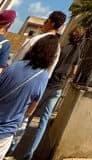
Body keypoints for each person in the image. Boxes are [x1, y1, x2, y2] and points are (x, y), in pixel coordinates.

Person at [17, 26, 85, 160]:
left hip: (47, 85)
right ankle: (30, 152)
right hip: (58, 88)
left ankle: (14, 146)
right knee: (44, 121)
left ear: (71, 35)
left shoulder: (61, 48)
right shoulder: (78, 52)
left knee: (29, 115)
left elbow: (51, 64)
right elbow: (74, 71)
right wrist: (66, 76)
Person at [0, 36, 59, 160]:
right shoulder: (42, 76)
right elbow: (31, 110)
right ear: (51, 57)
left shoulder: (14, 65)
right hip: (6, 131)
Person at [13, 12, 66, 79]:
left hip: (19, 76)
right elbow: (50, 70)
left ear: (52, 23)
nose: (44, 23)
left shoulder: (36, 39)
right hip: (35, 81)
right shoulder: (57, 47)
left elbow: (18, 58)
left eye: (47, 20)